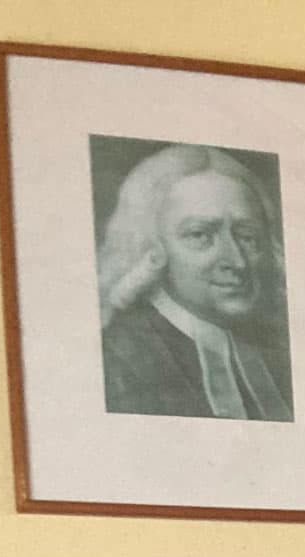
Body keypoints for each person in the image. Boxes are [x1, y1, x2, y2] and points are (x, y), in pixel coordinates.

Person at [95, 143, 293, 421]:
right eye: (200, 235)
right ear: (152, 249)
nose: (237, 261)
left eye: (248, 237)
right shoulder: (119, 356)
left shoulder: (277, 352)